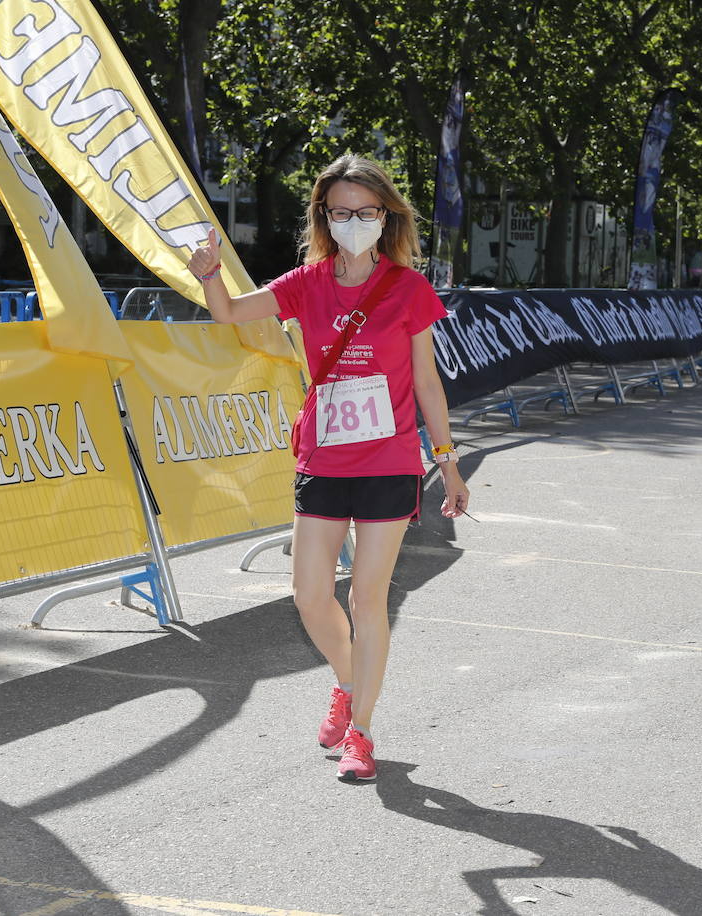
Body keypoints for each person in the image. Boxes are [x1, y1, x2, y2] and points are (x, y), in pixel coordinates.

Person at [187, 154, 470, 782]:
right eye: (341, 212)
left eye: (366, 212)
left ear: (385, 216)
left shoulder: (408, 288)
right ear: (324, 216)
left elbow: (426, 381)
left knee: (368, 598)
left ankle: (362, 732)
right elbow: (232, 313)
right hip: (323, 457)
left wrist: (446, 461)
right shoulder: (306, 283)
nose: (354, 222)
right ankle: (346, 682)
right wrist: (209, 276)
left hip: (390, 459)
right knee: (310, 595)